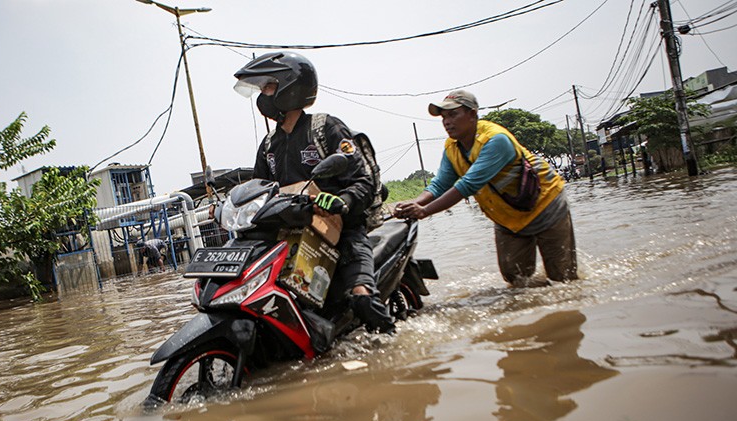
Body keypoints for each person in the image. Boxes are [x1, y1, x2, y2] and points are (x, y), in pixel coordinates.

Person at [234, 52, 395, 334]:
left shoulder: (326, 128)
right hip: (292, 235)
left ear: (290, 88)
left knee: (361, 297)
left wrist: (342, 201)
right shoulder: (269, 145)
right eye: (260, 90)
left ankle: (395, 347)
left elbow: (363, 181)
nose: (262, 96)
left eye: (268, 87)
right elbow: (258, 189)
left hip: (341, 232)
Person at [394, 90, 577, 285]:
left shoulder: (496, 140)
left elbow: (468, 185)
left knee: (563, 278)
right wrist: (412, 203)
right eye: (444, 117)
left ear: (472, 114)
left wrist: (424, 211)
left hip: (545, 206)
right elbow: (440, 184)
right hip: (507, 216)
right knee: (516, 279)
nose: (447, 122)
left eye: (453, 114)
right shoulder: (452, 147)